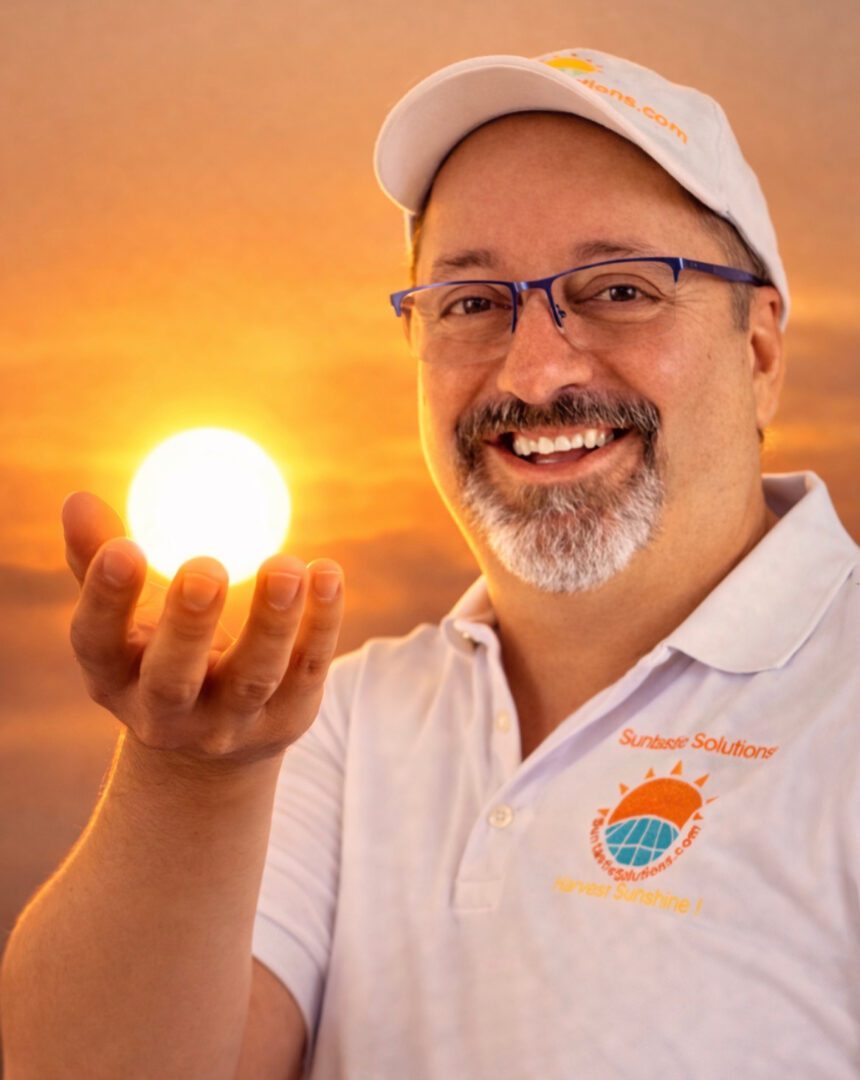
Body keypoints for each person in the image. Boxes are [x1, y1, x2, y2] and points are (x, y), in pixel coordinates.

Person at [1, 47, 858, 1080]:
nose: (534, 369)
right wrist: (188, 774)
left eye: (620, 288)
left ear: (758, 352)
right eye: (468, 303)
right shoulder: (339, 729)